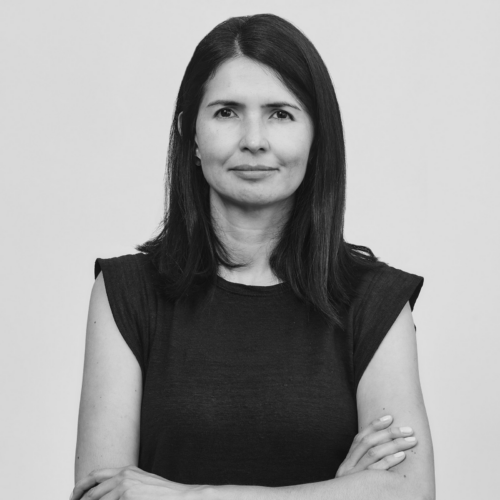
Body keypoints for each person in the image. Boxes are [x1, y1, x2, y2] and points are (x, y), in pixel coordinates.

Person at [71, 13, 435, 500]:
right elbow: (103, 495)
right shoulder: (126, 292)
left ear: (316, 134)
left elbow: (410, 493)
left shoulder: (373, 300)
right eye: (226, 112)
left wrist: (188, 496)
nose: (255, 139)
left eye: (280, 113)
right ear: (190, 134)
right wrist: (338, 492)